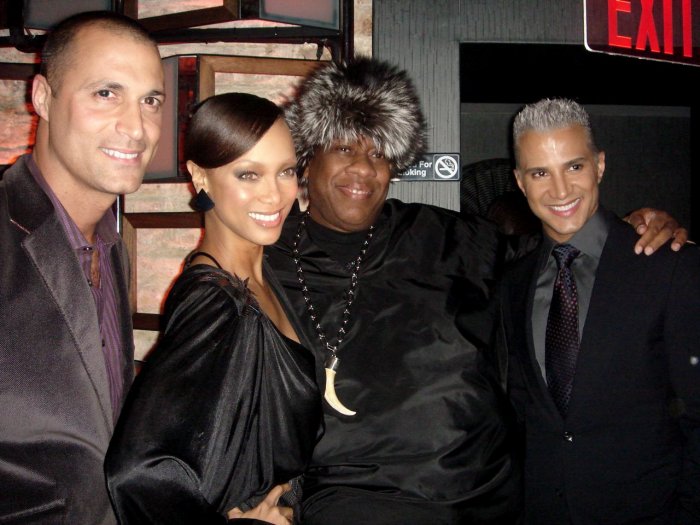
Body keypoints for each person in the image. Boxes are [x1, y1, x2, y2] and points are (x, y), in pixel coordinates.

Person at [265, 57, 688, 524]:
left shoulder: (445, 238)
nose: (363, 168)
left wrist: (631, 229)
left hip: (482, 503)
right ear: (308, 158)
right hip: (348, 507)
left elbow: (559, 255)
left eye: (379, 153)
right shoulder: (266, 262)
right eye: (345, 148)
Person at [105, 93, 323, 525]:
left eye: (285, 171)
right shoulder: (215, 302)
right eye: (249, 174)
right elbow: (136, 475)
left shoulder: (263, 273)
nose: (275, 194)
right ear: (200, 177)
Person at [498, 97, 700, 524]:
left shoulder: (670, 267)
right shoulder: (512, 283)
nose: (560, 191)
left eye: (574, 166)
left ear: (600, 166)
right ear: (520, 181)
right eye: (540, 173)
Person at [0, 11, 164, 525]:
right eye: (106, 93)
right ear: (43, 98)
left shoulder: (110, 246)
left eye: (151, 101)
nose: (136, 128)